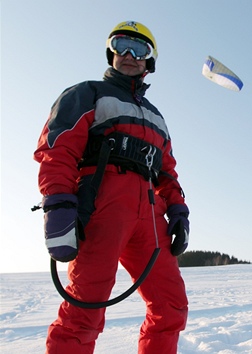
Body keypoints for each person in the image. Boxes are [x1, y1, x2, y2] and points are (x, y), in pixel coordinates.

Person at [34, 21, 189, 354]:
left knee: (172, 305)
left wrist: (177, 208)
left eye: (140, 50)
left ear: (151, 62)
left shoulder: (157, 118)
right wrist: (58, 204)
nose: (129, 55)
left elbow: (168, 172)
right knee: (84, 312)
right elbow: (57, 150)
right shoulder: (87, 93)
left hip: (150, 218)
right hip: (102, 209)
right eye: (121, 45)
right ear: (111, 52)